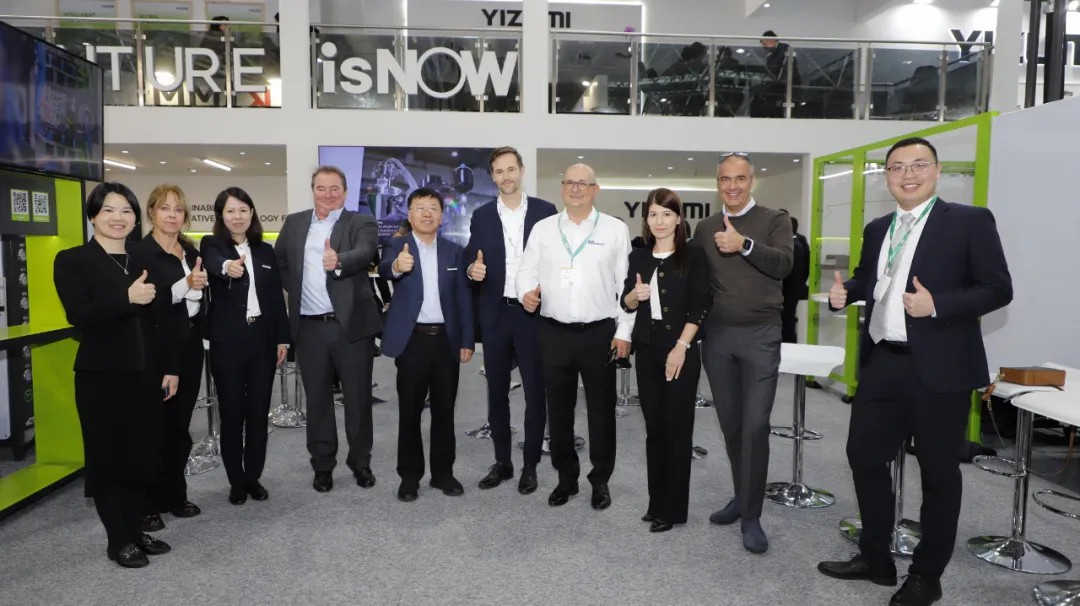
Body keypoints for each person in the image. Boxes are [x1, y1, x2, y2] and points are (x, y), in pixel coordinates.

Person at [817, 137, 1013, 606]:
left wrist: (937, 304)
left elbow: (997, 288)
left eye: (918, 165)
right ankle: (875, 558)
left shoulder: (969, 221)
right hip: (883, 361)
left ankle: (927, 576)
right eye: (897, 167)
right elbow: (870, 279)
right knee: (864, 457)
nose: (908, 175)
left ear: (937, 170)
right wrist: (847, 293)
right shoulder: (878, 227)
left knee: (939, 474)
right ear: (886, 176)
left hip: (941, 367)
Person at [53, 182, 172, 568]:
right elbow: (78, 315)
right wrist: (126, 298)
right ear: (93, 216)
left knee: (141, 456)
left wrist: (169, 367)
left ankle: (135, 531)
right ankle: (117, 540)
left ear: (136, 218)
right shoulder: (73, 260)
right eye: (108, 210)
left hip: (145, 373)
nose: (118, 218)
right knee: (109, 460)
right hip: (102, 376)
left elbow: (159, 322)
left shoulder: (141, 259)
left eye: (126, 211)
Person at [516, 163, 633, 510]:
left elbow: (626, 285)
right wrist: (526, 293)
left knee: (601, 412)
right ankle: (566, 478)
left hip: (600, 333)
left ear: (595, 189)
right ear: (562, 187)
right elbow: (526, 271)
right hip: (554, 332)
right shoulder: (543, 229)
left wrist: (624, 330)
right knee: (559, 411)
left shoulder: (615, 229)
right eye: (570, 182)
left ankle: (600, 480)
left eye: (584, 183)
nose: (576, 188)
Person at [692, 153, 792, 554]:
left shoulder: (774, 220)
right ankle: (742, 496)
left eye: (739, 179)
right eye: (724, 179)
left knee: (754, 426)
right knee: (732, 426)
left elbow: (784, 264)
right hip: (717, 338)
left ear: (752, 181)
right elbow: (691, 275)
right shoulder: (705, 228)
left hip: (760, 336)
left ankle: (751, 515)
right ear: (717, 183)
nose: (732, 186)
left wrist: (744, 244)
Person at [275, 166, 382, 493]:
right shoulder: (295, 223)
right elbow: (281, 263)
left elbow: (365, 253)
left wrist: (339, 262)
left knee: (358, 399)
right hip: (309, 328)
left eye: (335, 188)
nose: (328, 194)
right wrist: (296, 290)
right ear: (313, 190)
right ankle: (322, 466)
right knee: (318, 400)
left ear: (345, 192)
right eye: (321, 188)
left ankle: (360, 463)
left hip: (351, 327)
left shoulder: (361, 222)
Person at [462, 146, 557, 494]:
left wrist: (541, 291)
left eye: (511, 169)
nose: (506, 176)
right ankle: (502, 462)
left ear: (521, 170)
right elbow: (472, 255)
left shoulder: (546, 212)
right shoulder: (482, 215)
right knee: (496, 392)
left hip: (533, 313)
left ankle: (530, 464)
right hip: (496, 314)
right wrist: (472, 269)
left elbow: (555, 262)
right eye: (499, 171)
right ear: (493, 176)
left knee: (535, 392)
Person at [620, 188, 710, 533]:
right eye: (654, 214)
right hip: (648, 347)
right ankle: (656, 503)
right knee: (654, 429)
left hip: (681, 348)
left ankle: (673, 510)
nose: (660, 221)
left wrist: (681, 347)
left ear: (678, 219)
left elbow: (700, 305)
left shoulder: (693, 255)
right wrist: (633, 296)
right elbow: (626, 302)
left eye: (667, 214)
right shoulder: (639, 257)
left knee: (677, 430)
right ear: (646, 218)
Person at [379, 188, 475, 502]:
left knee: (445, 411)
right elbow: (385, 268)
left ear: (441, 216)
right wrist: (397, 266)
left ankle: (443, 473)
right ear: (409, 215)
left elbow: (463, 298)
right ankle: (409, 477)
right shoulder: (397, 245)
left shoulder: (454, 251)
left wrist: (466, 339)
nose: (427, 213)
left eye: (433, 208)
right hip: (412, 341)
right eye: (420, 208)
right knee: (409, 412)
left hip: (446, 341)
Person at [201, 187, 290, 505]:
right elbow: (214, 262)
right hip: (227, 343)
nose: (237, 216)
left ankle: (253, 476)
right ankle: (235, 481)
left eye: (243, 210)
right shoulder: (212, 244)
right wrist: (228, 267)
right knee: (232, 413)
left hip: (262, 341)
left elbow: (275, 298)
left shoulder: (265, 251)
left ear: (252, 213)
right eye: (230, 211)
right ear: (221, 216)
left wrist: (282, 337)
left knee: (257, 413)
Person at [130, 184, 207, 532]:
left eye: (178, 209)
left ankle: (175, 494)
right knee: (152, 429)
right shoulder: (138, 252)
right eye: (165, 208)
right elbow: (147, 304)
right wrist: (185, 285)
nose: (172, 215)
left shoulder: (189, 250)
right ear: (151, 212)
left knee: (179, 428)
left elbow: (198, 300)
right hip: (155, 350)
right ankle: (146, 504)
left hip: (188, 347)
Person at [752, 30, 800, 118]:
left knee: (761, 93)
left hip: (786, 83)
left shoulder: (785, 49)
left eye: (765, 44)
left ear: (771, 40)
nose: (764, 47)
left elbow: (782, 68)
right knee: (756, 91)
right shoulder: (771, 54)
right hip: (776, 82)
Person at [780, 211, 810, 343]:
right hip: (793, 288)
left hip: (788, 289)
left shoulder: (794, 243)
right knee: (788, 320)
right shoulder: (801, 240)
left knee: (787, 321)